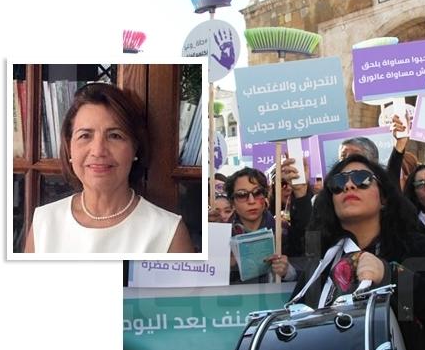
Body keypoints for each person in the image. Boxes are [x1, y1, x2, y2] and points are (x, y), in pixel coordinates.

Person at [291, 154, 425, 350]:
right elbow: (296, 332)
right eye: (338, 183)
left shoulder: (416, 248)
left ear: (384, 198)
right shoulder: (323, 264)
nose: (349, 185)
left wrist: (392, 275)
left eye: (362, 179)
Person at [24, 83, 193, 253]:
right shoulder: (44, 223)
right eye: (85, 135)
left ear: (135, 148)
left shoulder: (168, 233)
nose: (98, 151)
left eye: (114, 136)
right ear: (69, 148)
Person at [225, 167, 296, 282]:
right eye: (242, 195)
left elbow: (304, 272)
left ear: (265, 195)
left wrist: (287, 271)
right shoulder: (221, 237)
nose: (251, 201)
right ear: (232, 202)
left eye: (257, 192)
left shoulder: (283, 231)